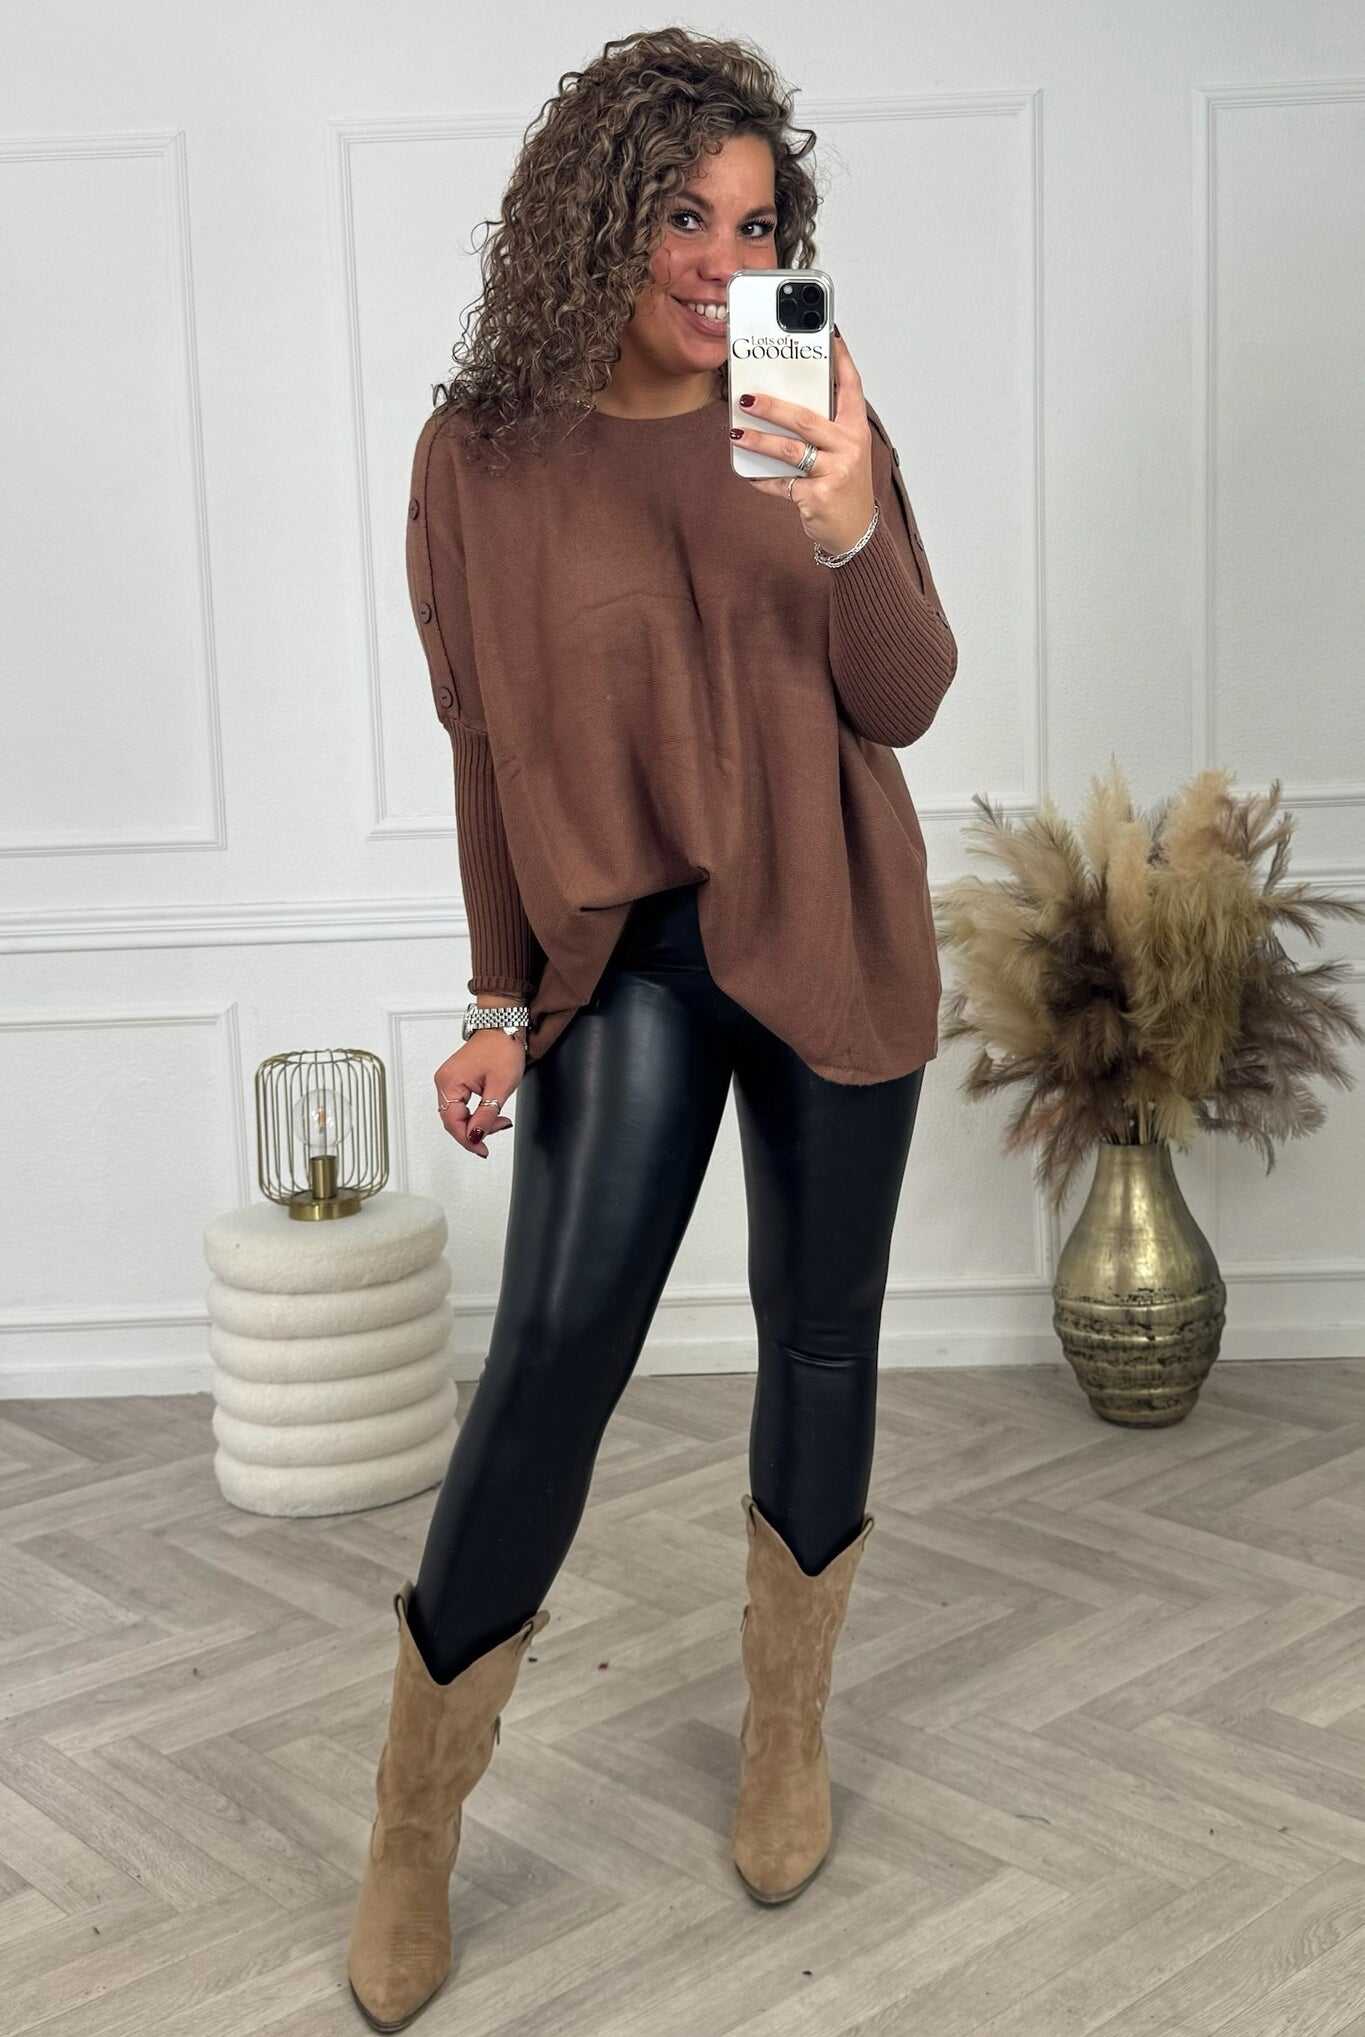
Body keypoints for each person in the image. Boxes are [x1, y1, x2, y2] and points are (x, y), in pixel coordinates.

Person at [346, 26, 957, 2030]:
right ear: (592, 222)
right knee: (549, 1354)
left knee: (820, 1328)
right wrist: (493, 995)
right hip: (625, 956)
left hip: (831, 915)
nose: (723, 261)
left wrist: (850, 515)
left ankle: (785, 1727)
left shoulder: (806, 401)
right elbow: (485, 748)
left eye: (758, 225)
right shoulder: (482, 457)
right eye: (682, 217)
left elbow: (905, 694)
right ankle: (414, 1824)